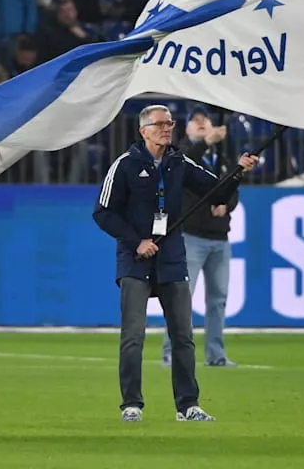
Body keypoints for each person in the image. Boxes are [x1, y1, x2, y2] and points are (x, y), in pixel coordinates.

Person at [93, 104, 257, 422]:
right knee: (133, 335)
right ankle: (131, 404)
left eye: (170, 123)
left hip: (171, 257)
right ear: (144, 130)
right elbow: (102, 212)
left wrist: (237, 172)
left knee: (183, 335)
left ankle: (188, 405)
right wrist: (136, 241)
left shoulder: (179, 162)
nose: (168, 128)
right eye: (161, 124)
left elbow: (216, 192)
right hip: (135, 258)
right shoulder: (124, 165)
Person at [161, 107, 239, 368]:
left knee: (218, 299)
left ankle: (215, 355)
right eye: (195, 121)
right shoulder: (181, 153)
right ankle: (171, 351)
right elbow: (182, 163)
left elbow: (232, 186)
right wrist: (206, 143)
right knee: (183, 296)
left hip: (220, 238)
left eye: (204, 119)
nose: (201, 123)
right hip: (191, 237)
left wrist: (226, 204)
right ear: (187, 129)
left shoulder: (221, 156)